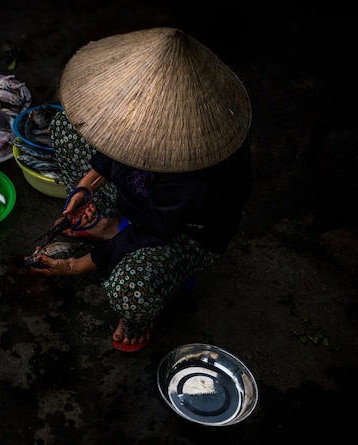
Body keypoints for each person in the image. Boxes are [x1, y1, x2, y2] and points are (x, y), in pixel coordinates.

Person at [27, 27, 253, 352]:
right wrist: (85, 187)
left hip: (183, 233)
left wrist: (74, 266)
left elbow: (151, 231)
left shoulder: (196, 173)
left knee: (130, 290)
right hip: (138, 201)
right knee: (67, 125)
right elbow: (113, 140)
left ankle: (141, 316)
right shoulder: (132, 119)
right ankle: (108, 225)